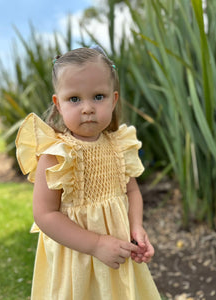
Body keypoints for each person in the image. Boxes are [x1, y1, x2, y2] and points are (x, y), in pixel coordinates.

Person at [16, 46, 161, 300]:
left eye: (98, 97)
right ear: (58, 104)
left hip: (116, 251)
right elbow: (44, 214)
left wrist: (136, 227)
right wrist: (95, 244)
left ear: (114, 99)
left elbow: (132, 190)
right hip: (77, 259)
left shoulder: (119, 145)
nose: (87, 108)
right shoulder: (57, 154)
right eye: (74, 99)